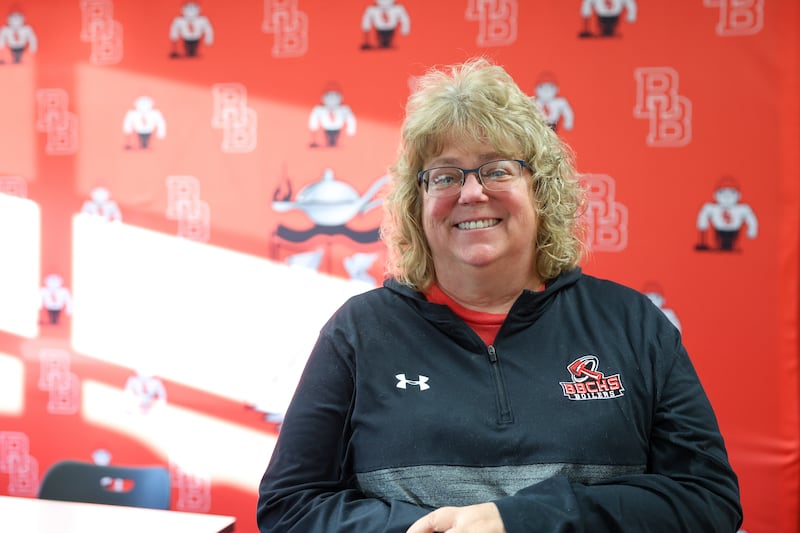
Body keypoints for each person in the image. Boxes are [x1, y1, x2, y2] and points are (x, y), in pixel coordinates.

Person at [256, 57, 743, 532]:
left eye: (497, 170)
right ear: (416, 205)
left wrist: (517, 521)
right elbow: (289, 507)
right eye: (445, 176)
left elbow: (707, 500)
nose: (471, 194)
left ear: (541, 191)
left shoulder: (632, 325)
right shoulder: (359, 333)